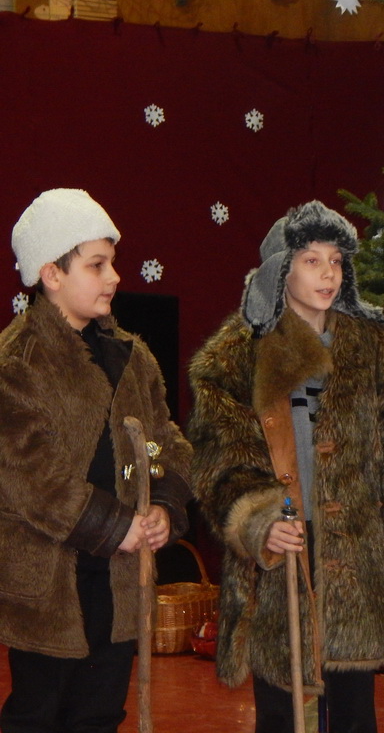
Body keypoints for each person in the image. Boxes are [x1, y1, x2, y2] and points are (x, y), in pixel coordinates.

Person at [187, 200, 384, 733]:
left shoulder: (371, 344)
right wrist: (258, 520)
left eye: (336, 260)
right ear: (280, 270)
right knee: (281, 708)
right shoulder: (239, 353)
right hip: (284, 547)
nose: (328, 273)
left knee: (355, 707)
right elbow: (222, 457)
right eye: (311, 260)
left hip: (355, 547)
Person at [0, 188, 193, 733]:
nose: (114, 276)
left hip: (117, 580)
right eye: (97, 264)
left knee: (100, 714)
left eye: (113, 262)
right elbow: (30, 476)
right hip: (49, 583)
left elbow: (157, 444)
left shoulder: (132, 356)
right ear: (51, 274)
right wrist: (114, 526)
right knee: (39, 715)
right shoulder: (18, 362)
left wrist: (162, 503)